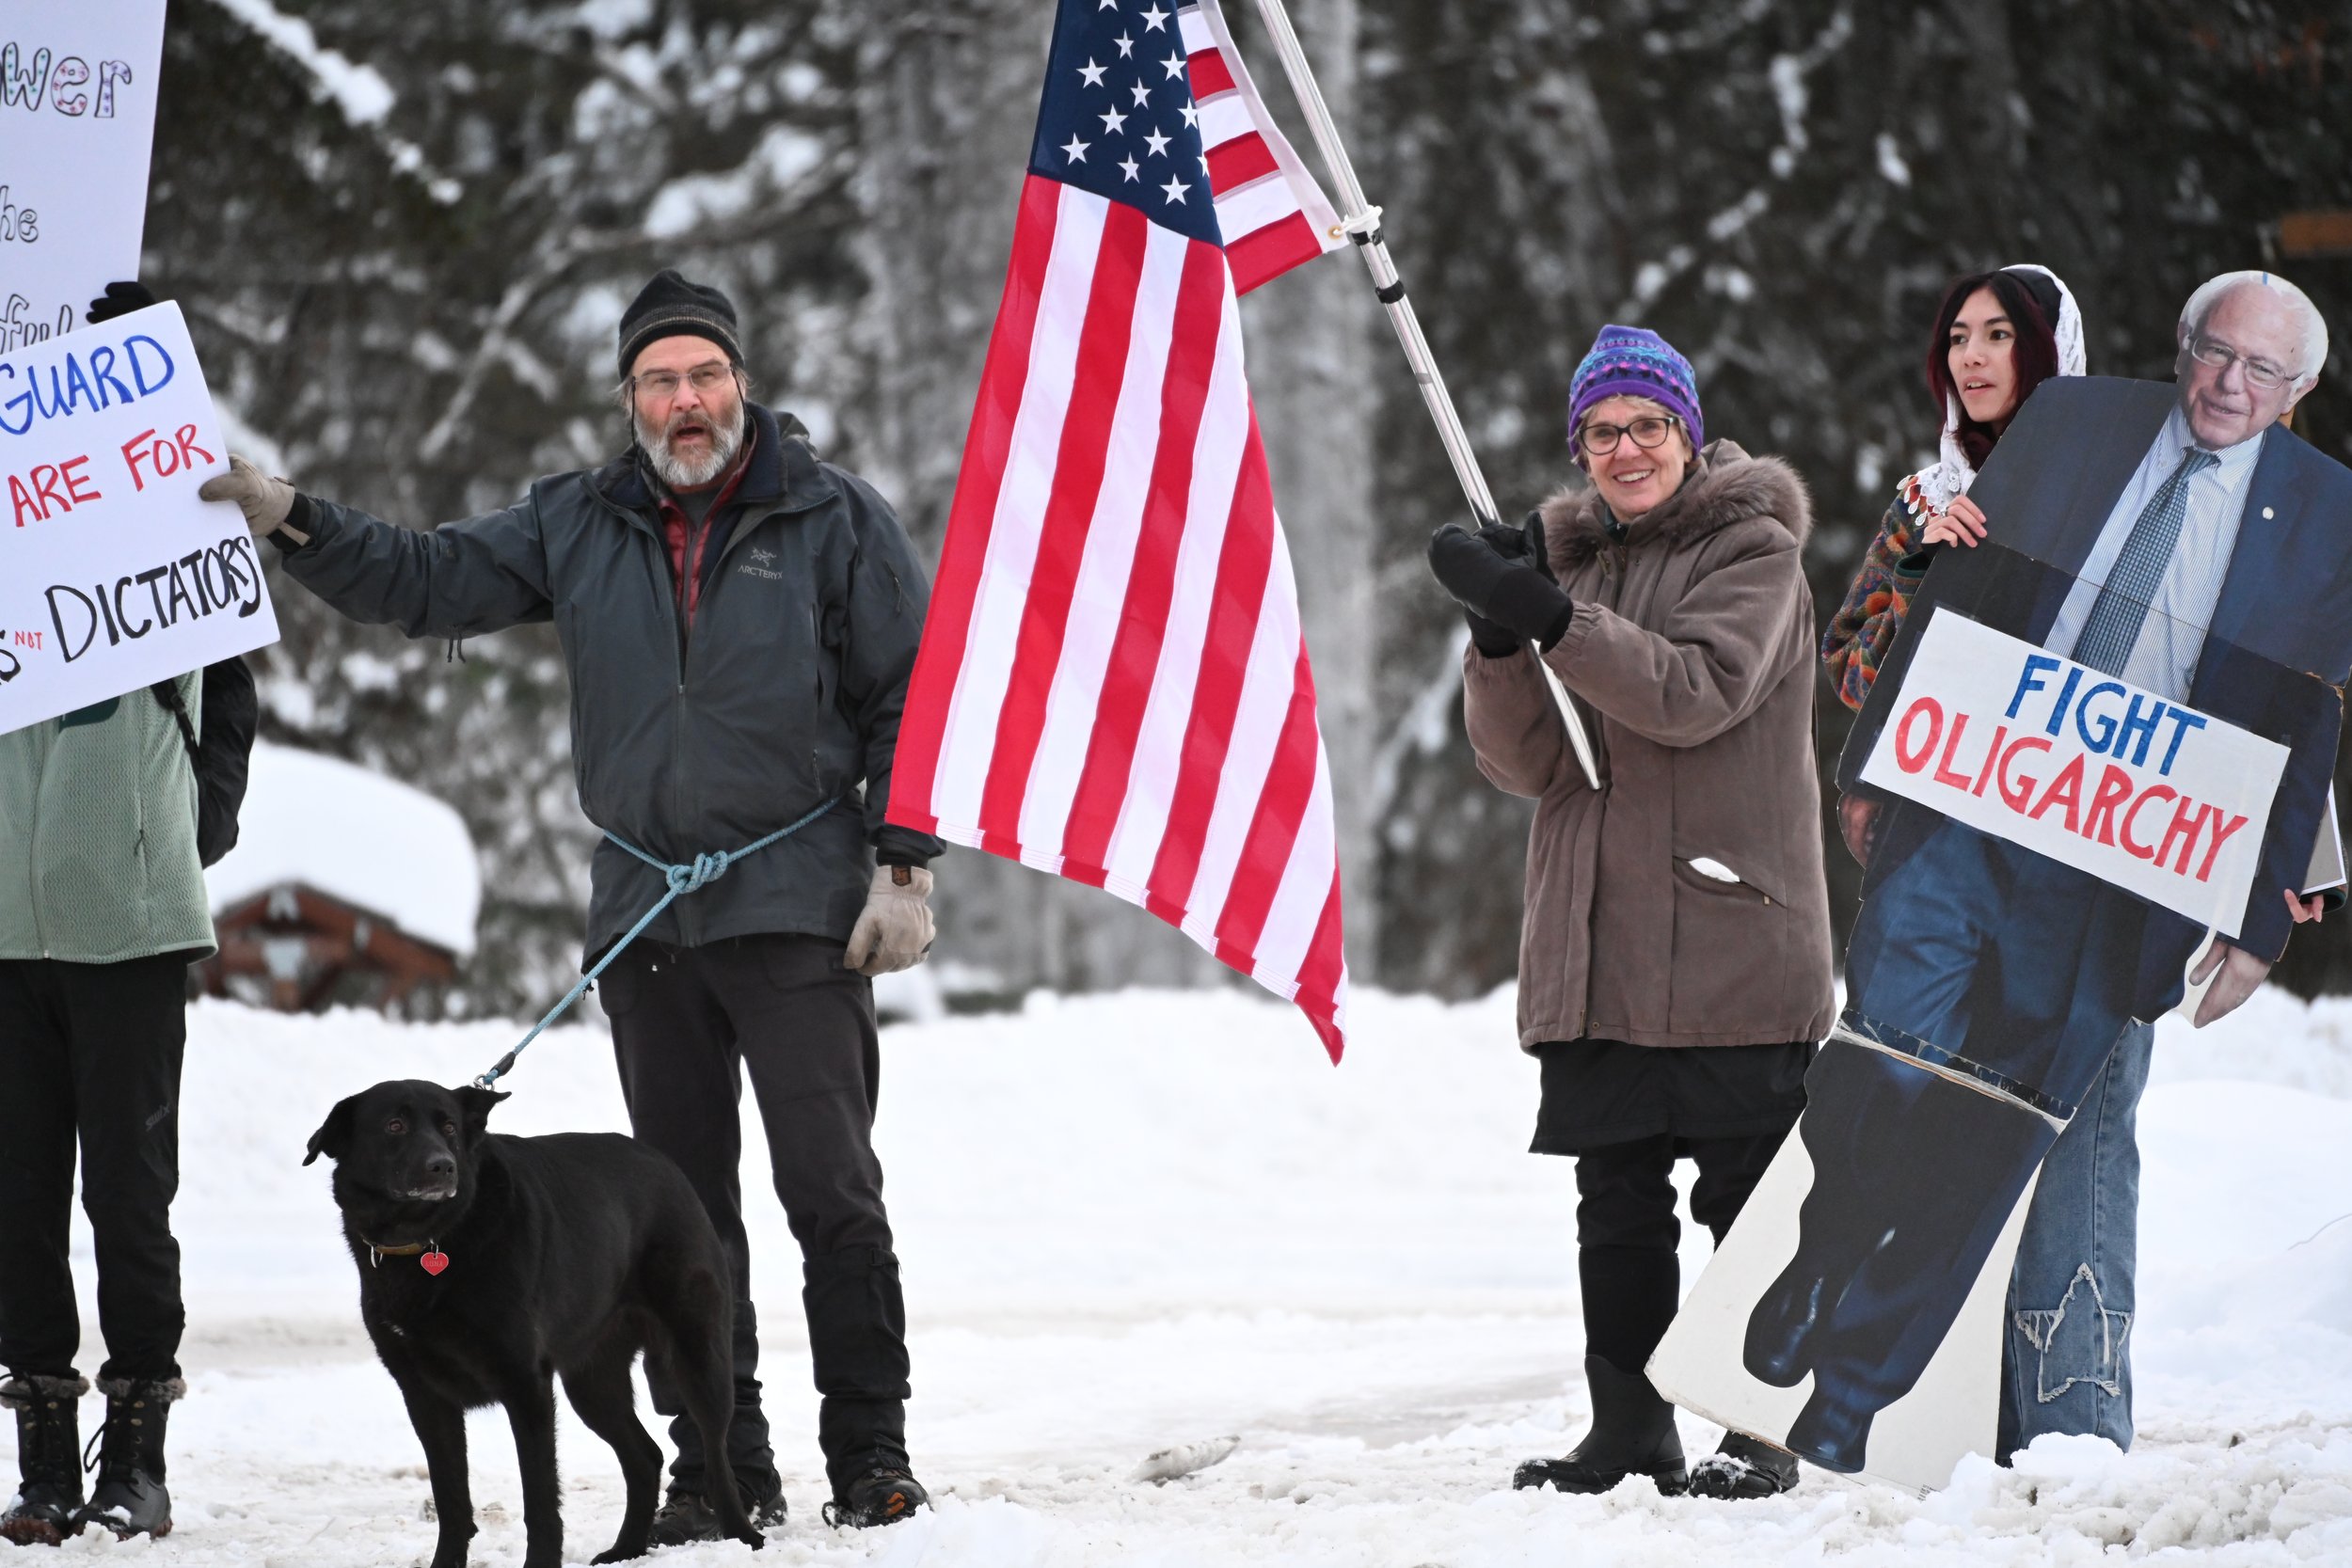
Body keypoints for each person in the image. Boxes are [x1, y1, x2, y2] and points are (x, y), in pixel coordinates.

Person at [200, 271, 943, 1534]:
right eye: (660, 380)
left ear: (741, 381)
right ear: (630, 398)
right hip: (652, 921)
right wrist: (293, 518)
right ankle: (721, 1458)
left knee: (831, 1189)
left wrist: (906, 861)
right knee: (689, 1213)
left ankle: (872, 1451)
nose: (685, 400)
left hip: (802, 908)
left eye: (704, 374)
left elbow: (914, 689)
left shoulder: (833, 518)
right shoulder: (578, 521)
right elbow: (428, 578)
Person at [1755, 271, 2350, 1473]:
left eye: (2262, 372)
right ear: (2181, 345)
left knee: (1988, 1135)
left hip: (2122, 867)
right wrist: (1870, 770)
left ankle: (1854, 1392)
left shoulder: (2327, 514)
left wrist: (2260, 915)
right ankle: (1821, 1250)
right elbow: (1952, 606)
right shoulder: (2072, 422)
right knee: (1880, 1063)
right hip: (1970, 810)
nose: (2229, 386)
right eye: (2214, 354)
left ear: (2300, 392)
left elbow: (2305, 711)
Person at [1426, 325, 1836, 1500]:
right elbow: (1526, 763)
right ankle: (1628, 1424)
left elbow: (1693, 695)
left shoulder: (1752, 551)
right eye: (1601, 432)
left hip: (1729, 933)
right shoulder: (1571, 565)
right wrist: (1501, 640)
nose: (1624, 449)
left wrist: (1552, 618)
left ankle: (1760, 1424)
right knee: (1614, 1199)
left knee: (1742, 1199)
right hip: (1596, 938)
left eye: (1646, 425)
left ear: (1687, 433)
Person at [1822, 264, 2169, 1459]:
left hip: (2097, 878)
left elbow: (2209, 677)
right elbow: (1856, 669)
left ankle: (2071, 1422)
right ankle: (1916, 1409)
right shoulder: (1929, 499)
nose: (1973, 357)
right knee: (1920, 1108)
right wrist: (1925, 566)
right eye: (1957, 337)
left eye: (1999, 336)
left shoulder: (2144, 494)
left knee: (2079, 1128)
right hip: (1945, 874)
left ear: (2048, 350)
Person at [0, 283, 259, 1547]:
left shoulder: (166, 519)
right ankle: (42, 1447)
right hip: (4, 923)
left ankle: (137, 1451)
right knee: (14, 1194)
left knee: (129, 1196)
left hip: (132, 925)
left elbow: (235, 693)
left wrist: (195, 827)